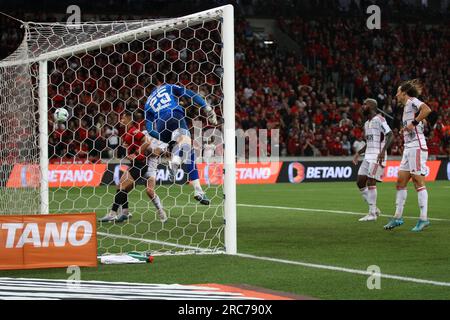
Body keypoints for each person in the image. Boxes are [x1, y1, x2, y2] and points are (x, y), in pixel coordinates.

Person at [144, 74, 217, 205]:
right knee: (187, 142)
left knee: (189, 151)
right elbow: (190, 94)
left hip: (161, 127)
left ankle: (198, 190)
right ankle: (175, 161)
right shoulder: (167, 87)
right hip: (173, 114)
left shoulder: (147, 104)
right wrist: (207, 107)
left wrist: (165, 139)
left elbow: (149, 130)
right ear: (159, 82)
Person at [99, 110, 167, 223]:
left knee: (149, 191)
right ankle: (124, 212)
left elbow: (154, 152)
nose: (154, 124)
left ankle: (160, 210)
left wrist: (137, 152)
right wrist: (129, 152)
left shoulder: (162, 138)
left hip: (149, 168)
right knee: (123, 188)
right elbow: (132, 145)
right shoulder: (141, 132)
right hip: (138, 164)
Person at [384, 79, 432, 231]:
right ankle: (398, 217)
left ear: (404, 93)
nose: (396, 94)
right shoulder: (406, 108)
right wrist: (405, 128)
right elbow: (420, 119)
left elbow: (427, 109)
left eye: (398, 92)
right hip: (408, 148)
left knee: (418, 181)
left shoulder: (412, 101)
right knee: (400, 182)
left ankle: (424, 219)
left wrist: (414, 123)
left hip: (417, 148)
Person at [352, 98, 393, 222]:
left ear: (371, 106)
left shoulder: (380, 119)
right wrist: (358, 153)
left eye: (365, 104)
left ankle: (372, 213)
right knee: (360, 182)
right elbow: (369, 143)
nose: (363, 106)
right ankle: (374, 209)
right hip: (368, 155)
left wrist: (382, 152)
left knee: (371, 182)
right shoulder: (366, 123)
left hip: (377, 156)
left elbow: (390, 135)